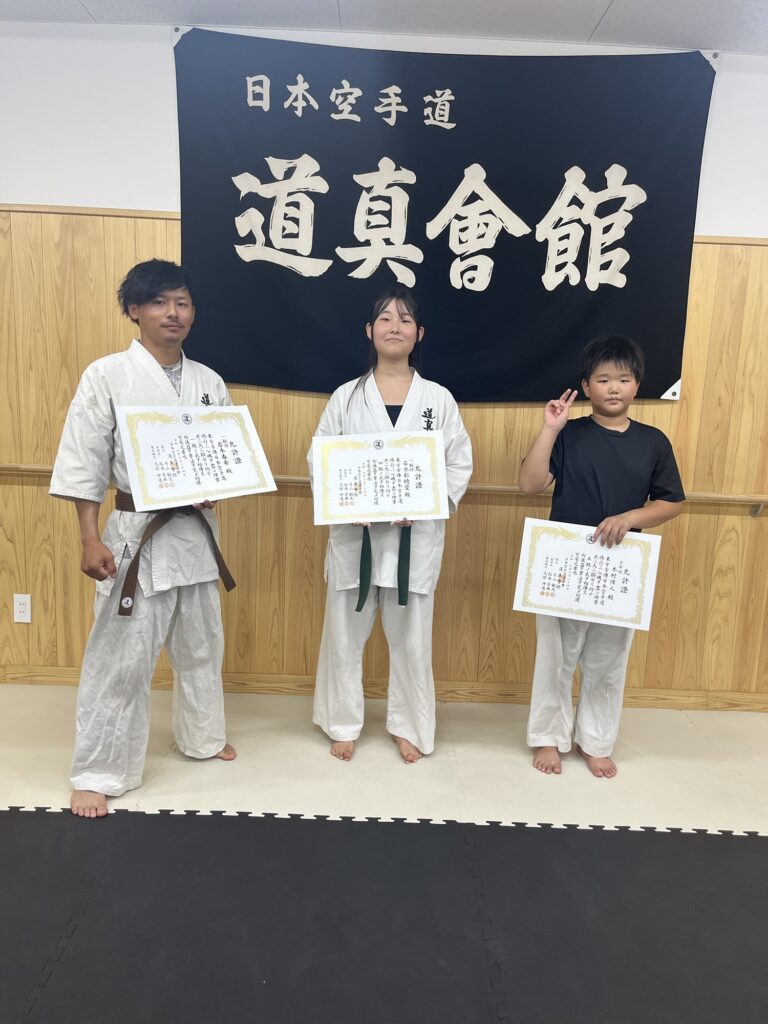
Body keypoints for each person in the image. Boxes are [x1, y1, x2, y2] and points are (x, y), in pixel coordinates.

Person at [50, 259, 237, 818]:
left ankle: (203, 738)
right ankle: (98, 771)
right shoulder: (106, 375)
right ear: (134, 310)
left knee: (202, 646)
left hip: (195, 536)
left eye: (182, 302)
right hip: (137, 535)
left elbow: (225, 455)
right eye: (159, 302)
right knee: (121, 659)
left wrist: (218, 485)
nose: (172, 313)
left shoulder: (209, 382)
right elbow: (84, 463)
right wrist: (90, 539)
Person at [309, 286, 473, 764]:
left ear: (419, 333)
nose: (395, 326)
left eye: (405, 319)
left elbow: (458, 463)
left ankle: (410, 726)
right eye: (384, 318)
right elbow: (321, 458)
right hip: (355, 535)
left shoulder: (438, 399)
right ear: (369, 331)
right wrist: (345, 503)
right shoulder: (346, 397)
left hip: (413, 538)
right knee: (344, 635)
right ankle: (342, 723)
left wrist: (427, 503)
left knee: (412, 640)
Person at [519, 335, 684, 778]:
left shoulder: (653, 442)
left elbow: (670, 502)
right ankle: (549, 737)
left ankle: (595, 741)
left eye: (624, 379)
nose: (614, 387)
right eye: (603, 379)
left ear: (637, 385)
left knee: (608, 661)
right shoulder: (569, 434)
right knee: (555, 657)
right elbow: (529, 484)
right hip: (564, 562)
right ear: (586, 386)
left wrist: (631, 518)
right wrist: (550, 429)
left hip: (620, 566)